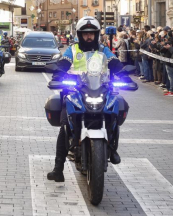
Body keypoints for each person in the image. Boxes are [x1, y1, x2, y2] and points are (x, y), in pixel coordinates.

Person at [47, 16, 124, 183]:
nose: (89, 37)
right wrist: (57, 74)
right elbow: (63, 64)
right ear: (80, 34)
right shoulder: (72, 50)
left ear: (96, 35)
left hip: (100, 88)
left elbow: (114, 63)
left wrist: (123, 73)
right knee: (65, 126)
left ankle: (112, 147)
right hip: (75, 91)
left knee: (115, 110)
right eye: (85, 34)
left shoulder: (103, 50)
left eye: (92, 34)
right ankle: (58, 168)